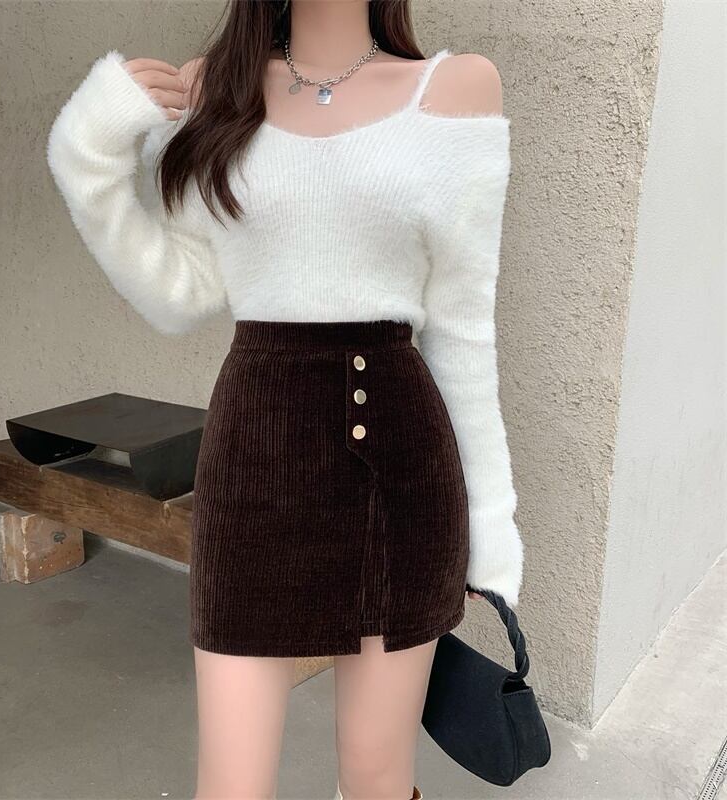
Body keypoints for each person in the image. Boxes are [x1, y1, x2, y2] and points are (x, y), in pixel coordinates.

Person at [45, 1, 524, 798]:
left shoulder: (456, 89)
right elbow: (178, 293)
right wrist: (85, 150)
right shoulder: (216, 91)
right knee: (230, 785)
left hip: (402, 475)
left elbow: (464, 330)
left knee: (377, 778)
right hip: (254, 465)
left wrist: (491, 527)